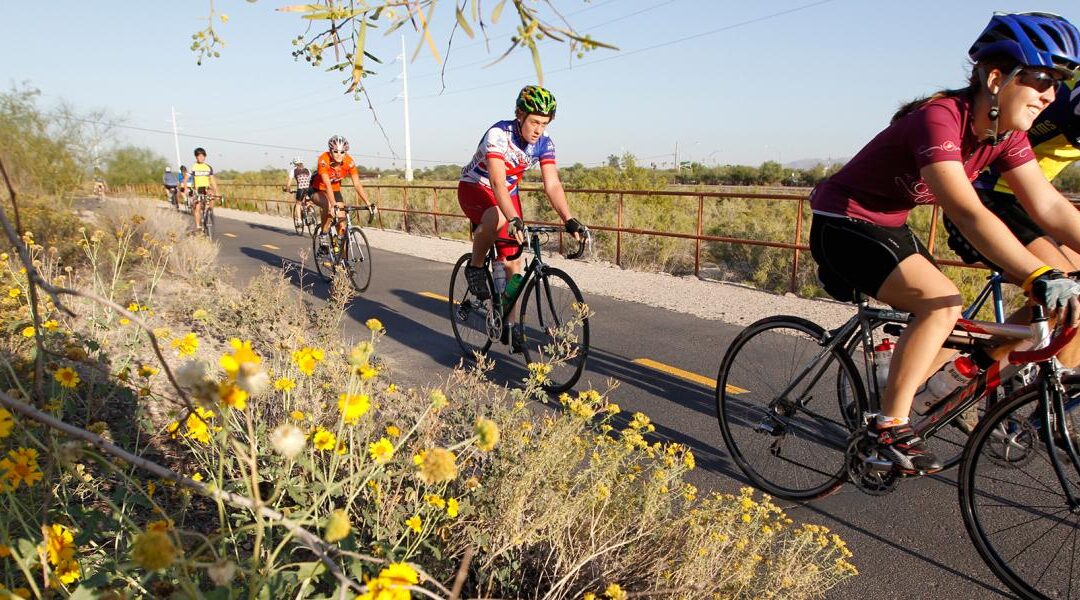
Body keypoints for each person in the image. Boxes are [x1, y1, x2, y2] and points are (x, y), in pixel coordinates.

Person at [808, 12, 1080, 474]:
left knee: (951, 315)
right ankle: (886, 427)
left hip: (886, 224)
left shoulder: (1006, 137)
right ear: (997, 78)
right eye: (1040, 80)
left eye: (1058, 82)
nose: (1050, 95)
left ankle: (925, 378)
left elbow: (1049, 206)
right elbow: (967, 209)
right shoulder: (939, 119)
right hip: (840, 219)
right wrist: (1036, 274)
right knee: (941, 302)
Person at [943, 70, 1080, 368]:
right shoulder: (1069, 93)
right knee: (1071, 298)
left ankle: (989, 369)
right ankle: (958, 380)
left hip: (1031, 201)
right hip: (985, 196)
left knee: (1063, 297)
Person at [457, 85, 588, 351]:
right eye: (534, 122)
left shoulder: (544, 143)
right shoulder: (498, 135)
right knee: (499, 219)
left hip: (508, 193)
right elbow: (496, 181)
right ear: (520, 115)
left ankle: (511, 324)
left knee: (514, 262)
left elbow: (551, 185)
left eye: (544, 123)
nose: (539, 129)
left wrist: (569, 218)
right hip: (476, 187)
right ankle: (476, 266)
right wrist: (513, 217)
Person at [311, 136, 377, 253]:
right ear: (330, 151)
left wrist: (368, 203)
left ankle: (343, 263)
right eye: (335, 151)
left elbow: (357, 184)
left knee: (342, 225)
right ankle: (324, 234)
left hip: (335, 191)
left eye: (342, 152)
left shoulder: (349, 162)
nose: (339, 155)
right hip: (317, 189)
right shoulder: (323, 159)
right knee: (329, 206)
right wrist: (333, 205)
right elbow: (327, 184)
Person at [189, 148, 219, 232]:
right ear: (196, 157)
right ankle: (198, 226)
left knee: (212, 195)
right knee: (197, 206)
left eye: (202, 156)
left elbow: (212, 180)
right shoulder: (194, 167)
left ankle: (210, 211)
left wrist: (216, 191)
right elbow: (192, 180)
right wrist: (192, 191)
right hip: (197, 188)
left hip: (206, 187)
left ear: (205, 156)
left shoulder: (208, 167)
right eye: (199, 156)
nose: (201, 157)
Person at [283, 157, 313, 227]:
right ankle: (310, 211)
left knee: (298, 204)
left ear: (294, 164)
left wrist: (288, 189)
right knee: (308, 202)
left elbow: (289, 184)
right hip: (310, 189)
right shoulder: (308, 170)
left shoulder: (293, 170)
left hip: (301, 189)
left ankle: (299, 221)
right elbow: (310, 181)